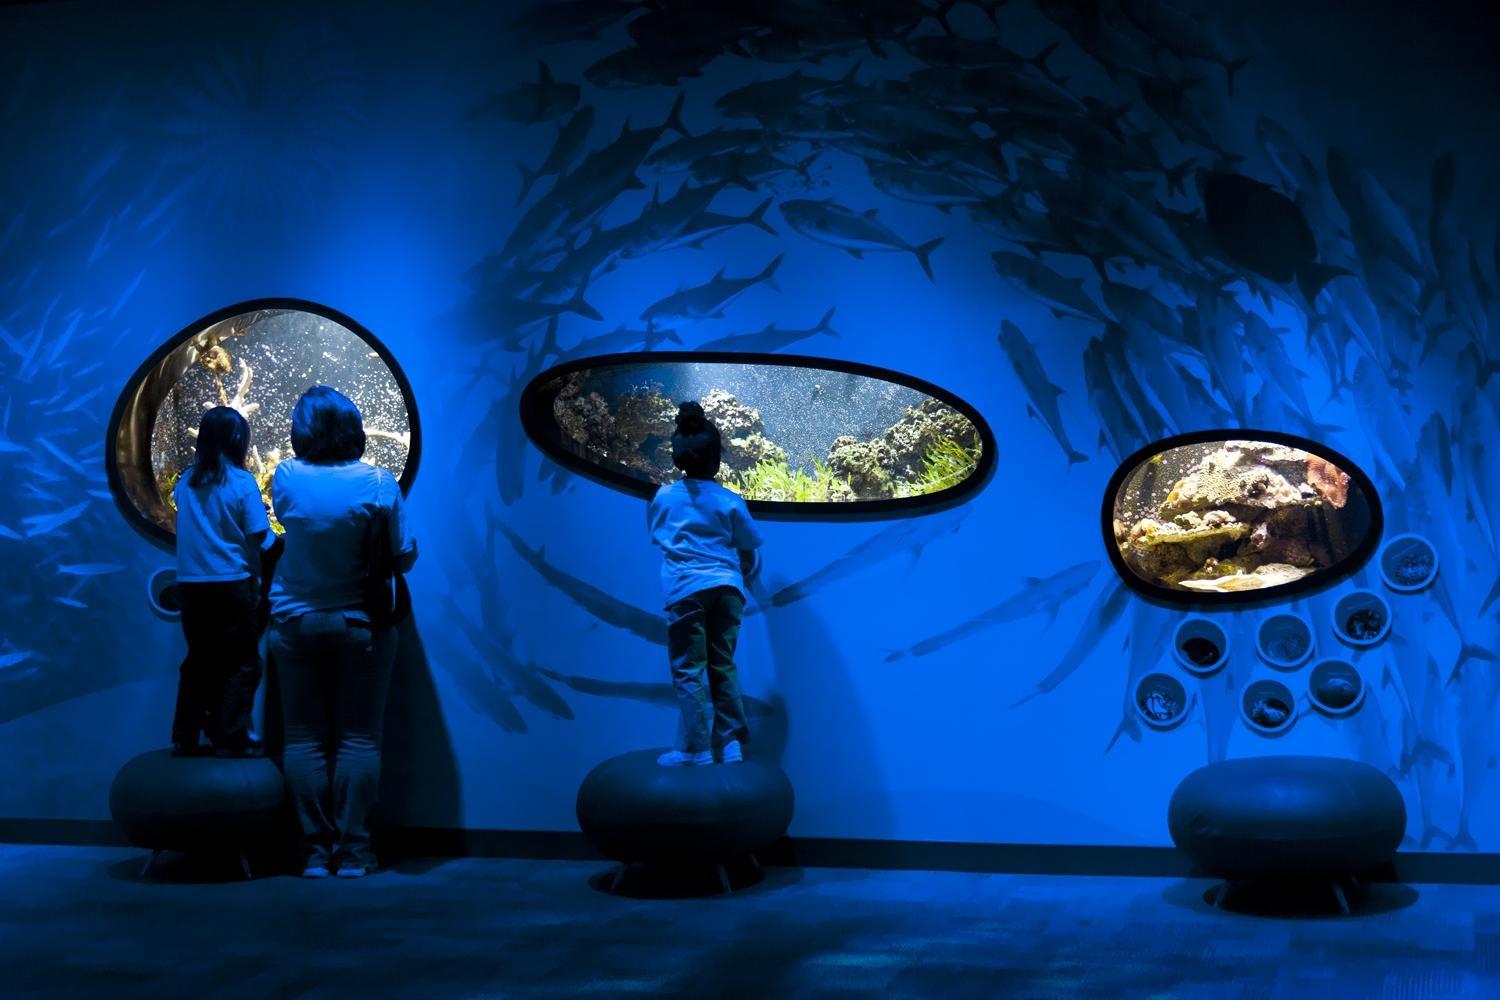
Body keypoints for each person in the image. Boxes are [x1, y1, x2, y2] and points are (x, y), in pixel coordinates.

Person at [268, 386, 416, 879]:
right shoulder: (379, 483)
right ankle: (354, 854)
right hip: (361, 624)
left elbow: (292, 524)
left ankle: (314, 854)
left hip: (293, 622)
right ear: (354, 428)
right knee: (358, 740)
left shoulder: (286, 476)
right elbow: (404, 554)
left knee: (304, 739)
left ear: (301, 430)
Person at [646, 401, 764, 767]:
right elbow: (750, 543)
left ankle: (695, 748)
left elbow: (657, 536)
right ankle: (729, 745)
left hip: (685, 590)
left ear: (676, 457)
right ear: (717, 458)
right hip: (728, 590)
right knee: (723, 664)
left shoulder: (664, 497)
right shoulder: (729, 500)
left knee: (688, 668)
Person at [171, 406, 277, 757]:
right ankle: (231, 737)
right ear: (238, 441)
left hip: (190, 585)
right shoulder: (242, 482)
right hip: (231, 583)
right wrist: (260, 577)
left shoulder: (185, 481)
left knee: (198, 660)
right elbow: (258, 537)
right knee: (242, 662)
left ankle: (186, 735)